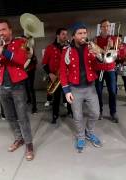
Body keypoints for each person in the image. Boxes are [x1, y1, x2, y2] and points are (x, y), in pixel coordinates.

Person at [0, 18, 34, 161]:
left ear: (10, 30)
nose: (1, 33)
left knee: (23, 117)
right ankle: (19, 138)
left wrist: (3, 51)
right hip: (3, 86)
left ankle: (29, 145)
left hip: (17, 86)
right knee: (10, 116)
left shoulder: (20, 42)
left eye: (3, 29)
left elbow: (21, 60)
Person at [60, 22, 106, 153]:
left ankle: (89, 132)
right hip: (74, 89)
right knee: (78, 116)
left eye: (85, 33)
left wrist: (99, 56)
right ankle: (80, 136)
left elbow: (100, 67)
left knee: (96, 113)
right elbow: (63, 72)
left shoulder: (91, 48)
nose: (83, 36)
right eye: (80, 33)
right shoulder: (66, 51)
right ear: (73, 36)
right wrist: (66, 91)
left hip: (91, 87)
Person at [42, 28, 72, 123]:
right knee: (56, 97)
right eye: (63, 34)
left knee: (69, 96)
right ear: (58, 36)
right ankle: (55, 115)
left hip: (67, 76)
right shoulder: (50, 48)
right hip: (55, 76)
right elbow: (44, 63)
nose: (65, 36)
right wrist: (50, 74)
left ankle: (70, 111)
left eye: (66, 34)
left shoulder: (69, 47)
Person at [95, 19, 119, 123]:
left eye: (108, 26)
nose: (106, 28)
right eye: (104, 26)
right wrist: (101, 51)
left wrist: (112, 47)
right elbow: (95, 56)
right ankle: (99, 111)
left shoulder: (114, 39)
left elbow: (117, 56)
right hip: (99, 69)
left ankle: (113, 112)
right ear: (100, 28)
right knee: (98, 92)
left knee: (112, 92)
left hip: (110, 69)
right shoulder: (96, 40)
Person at [115, 35, 126, 100]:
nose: (119, 40)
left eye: (120, 39)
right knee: (114, 81)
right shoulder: (113, 46)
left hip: (123, 64)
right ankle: (114, 94)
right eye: (117, 39)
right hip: (115, 64)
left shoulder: (124, 44)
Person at [24, 48, 38, 114]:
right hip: (24, 74)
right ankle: (29, 100)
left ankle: (34, 108)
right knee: (26, 88)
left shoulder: (32, 53)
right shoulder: (22, 52)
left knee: (31, 89)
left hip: (30, 74)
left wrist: (27, 69)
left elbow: (34, 64)